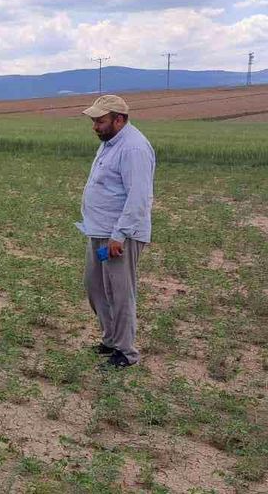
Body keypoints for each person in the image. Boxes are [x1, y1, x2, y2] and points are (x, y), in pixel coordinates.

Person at [76, 95, 155, 368]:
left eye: (100, 121)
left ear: (119, 120)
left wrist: (119, 235)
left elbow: (139, 197)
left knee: (120, 292)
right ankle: (110, 339)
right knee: (95, 287)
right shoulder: (111, 143)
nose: (95, 126)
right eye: (94, 121)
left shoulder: (133, 149)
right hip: (99, 230)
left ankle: (126, 351)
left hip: (119, 235)